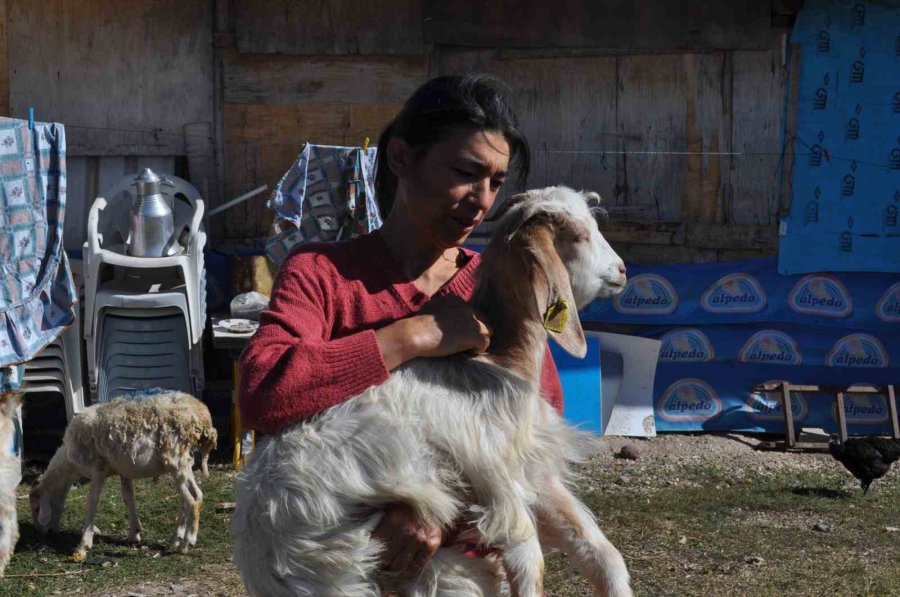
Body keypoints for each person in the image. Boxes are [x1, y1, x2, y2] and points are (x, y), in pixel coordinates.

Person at [239, 74, 564, 583]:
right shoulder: (322, 274)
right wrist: (410, 337)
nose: (482, 199)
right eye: (466, 172)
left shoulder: (496, 285)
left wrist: (435, 511)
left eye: (496, 183)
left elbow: (535, 439)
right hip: (337, 571)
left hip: (467, 576)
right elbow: (265, 393)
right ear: (400, 158)